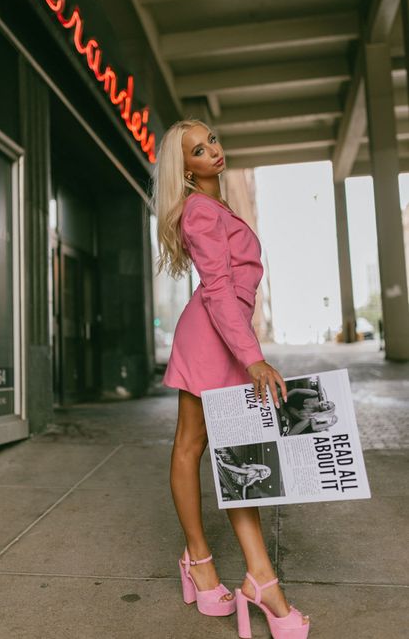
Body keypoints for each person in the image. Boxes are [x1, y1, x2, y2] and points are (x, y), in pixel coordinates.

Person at [150, 119, 310, 638]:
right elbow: (218, 292)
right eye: (199, 150)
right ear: (186, 168)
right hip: (212, 336)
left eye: (212, 139)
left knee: (231, 456)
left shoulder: (217, 207)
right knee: (197, 447)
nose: (213, 151)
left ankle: (256, 579)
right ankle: (204, 562)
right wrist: (253, 358)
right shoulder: (198, 211)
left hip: (224, 333)